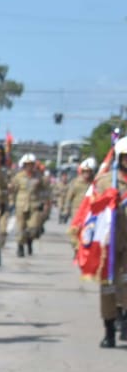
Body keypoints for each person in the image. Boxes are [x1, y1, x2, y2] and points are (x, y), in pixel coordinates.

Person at [72, 141, 127, 347]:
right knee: (108, 290)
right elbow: (90, 211)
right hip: (108, 244)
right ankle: (109, 330)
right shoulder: (105, 182)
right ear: (119, 158)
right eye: (125, 157)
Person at [11, 153, 45, 258]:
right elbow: (13, 190)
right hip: (21, 205)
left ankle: (29, 240)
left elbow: (44, 191)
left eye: (31, 164)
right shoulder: (18, 177)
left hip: (34, 206)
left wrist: (42, 202)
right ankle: (20, 246)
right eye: (27, 164)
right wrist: (11, 202)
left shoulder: (38, 177)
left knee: (33, 228)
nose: (29, 166)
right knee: (21, 228)